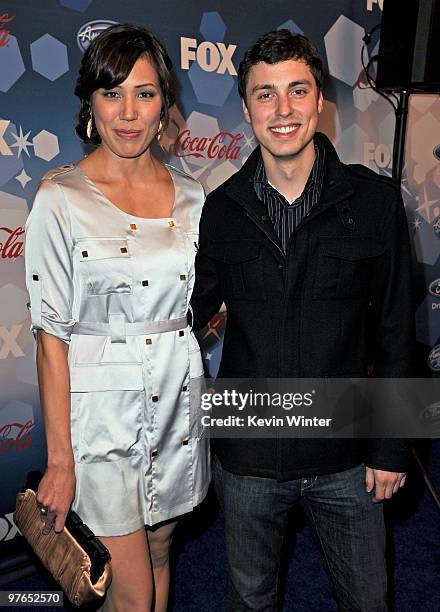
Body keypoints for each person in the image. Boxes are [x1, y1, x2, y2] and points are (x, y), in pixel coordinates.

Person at [191, 29, 414, 611]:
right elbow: (183, 323)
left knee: (368, 601)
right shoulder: (220, 210)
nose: (283, 110)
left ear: (320, 101)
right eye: (265, 95)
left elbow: (396, 330)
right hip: (247, 456)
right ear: (246, 110)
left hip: (346, 451)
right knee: (249, 601)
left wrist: (391, 448)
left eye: (297, 91)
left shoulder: (375, 202)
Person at [25, 24, 210, 612]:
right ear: (90, 104)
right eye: (113, 93)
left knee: (159, 555)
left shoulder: (194, 197)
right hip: (100, 421)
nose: (128, 113)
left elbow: (201, 304)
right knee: (128, 595)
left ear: (164, 107)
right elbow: (51, 338)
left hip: (177, 403)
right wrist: (60, 460)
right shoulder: (60, 197)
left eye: (145, 93)